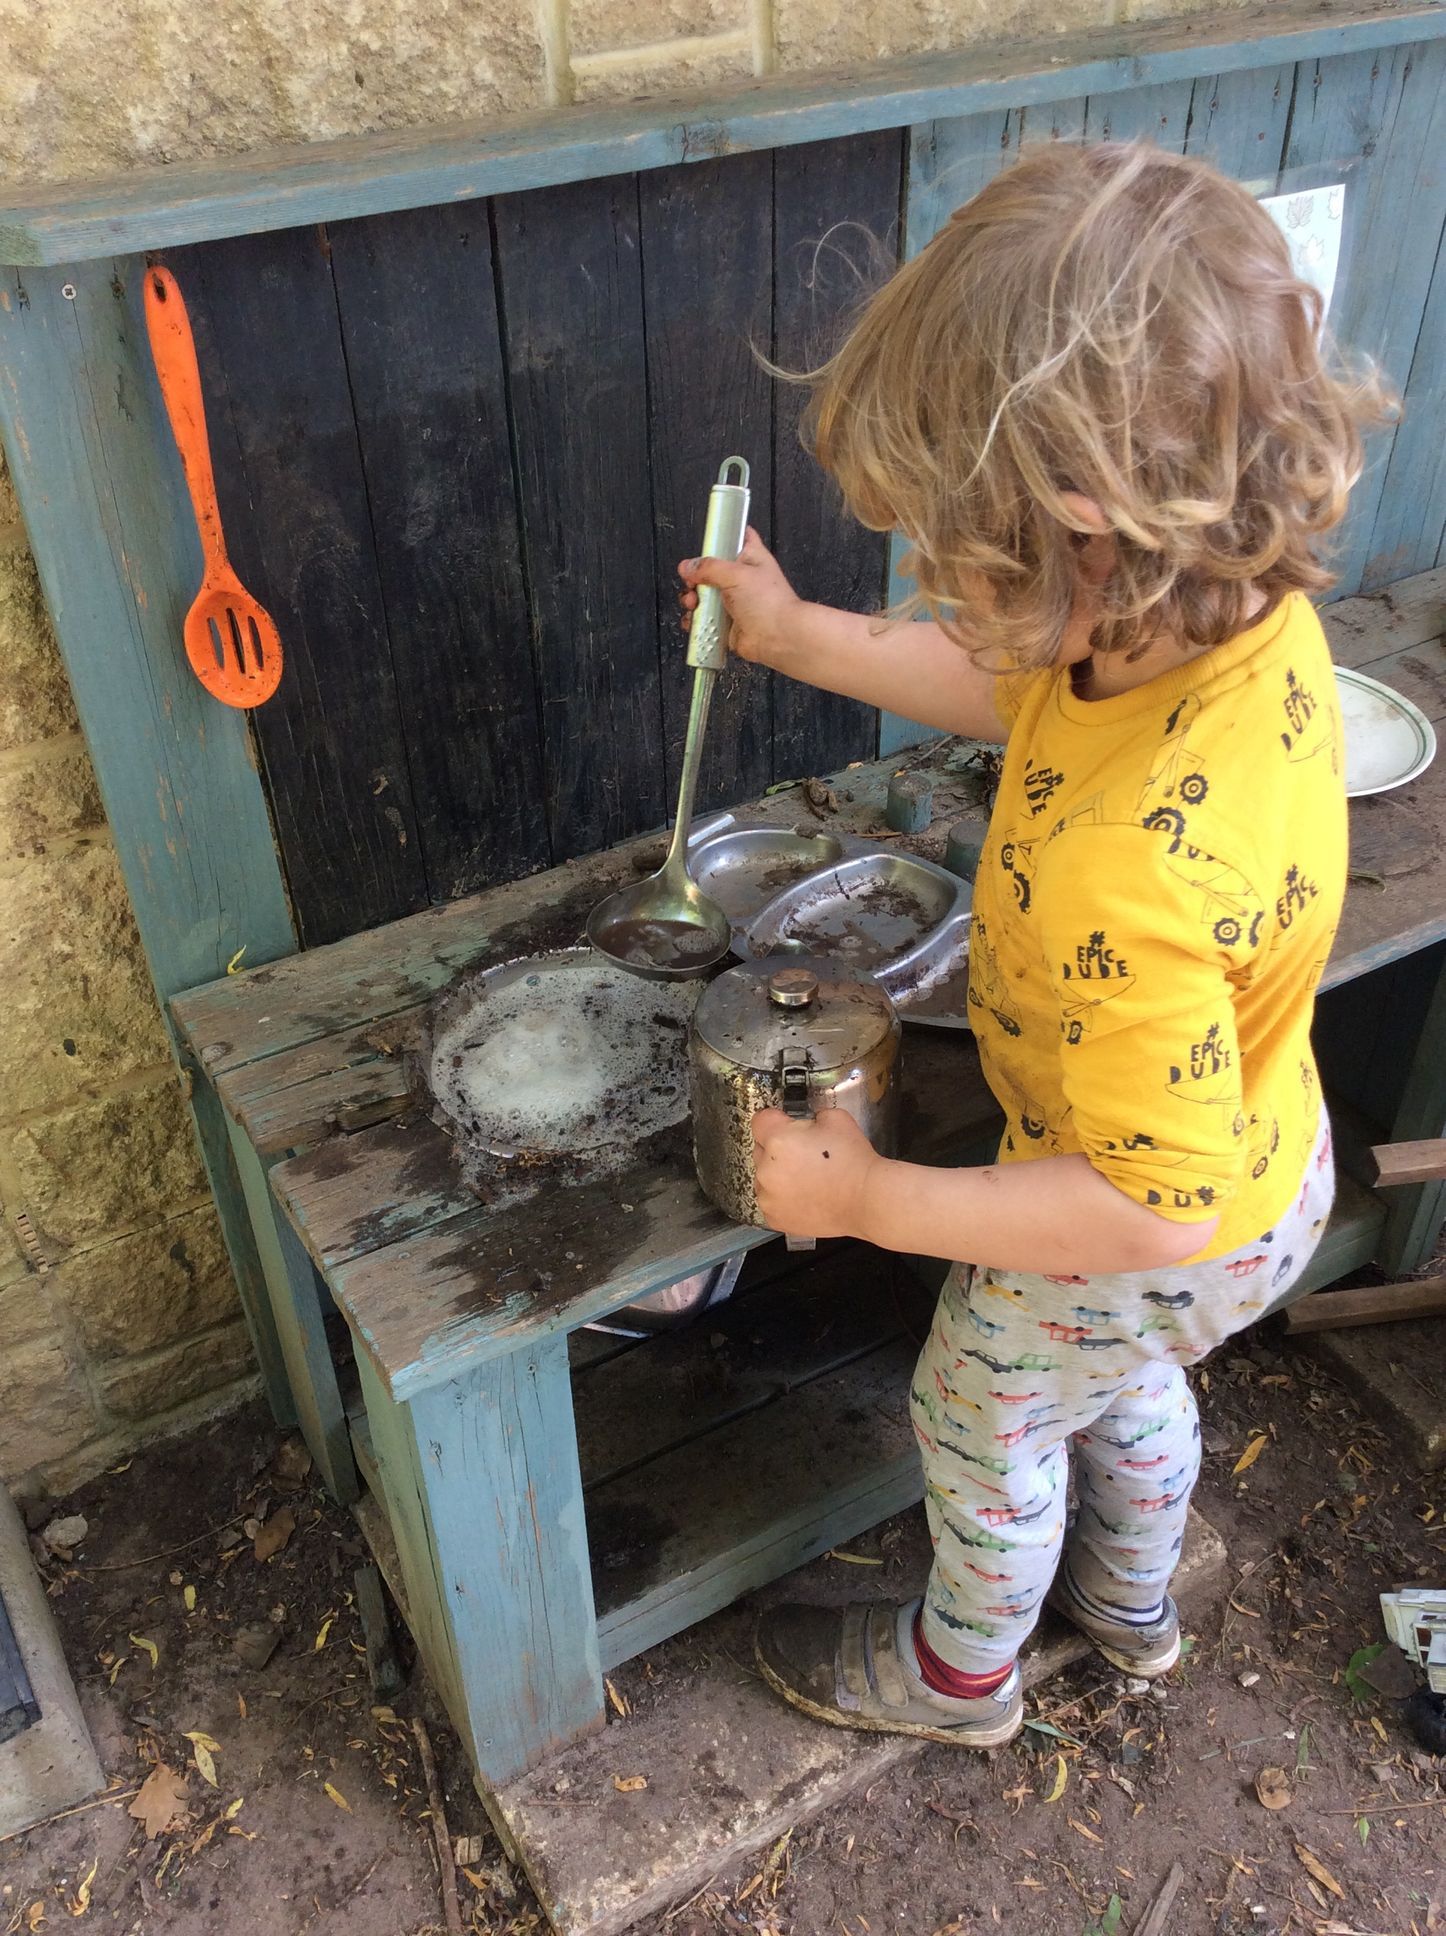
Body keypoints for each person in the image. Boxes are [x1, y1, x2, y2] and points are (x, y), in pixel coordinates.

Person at [676, 141, 1392, 1749]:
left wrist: (862, 1200)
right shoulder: (1214, 603)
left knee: (983, 1403)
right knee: (1121, 1380)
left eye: (946, 552)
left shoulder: (1118, 882)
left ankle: (960, 1679)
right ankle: (1130, 1611)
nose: (930, 583)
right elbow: (1013, 674)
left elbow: (1141, 1206)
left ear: (1084, 525)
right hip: (1269, 1162)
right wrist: (803, 639)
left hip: (1153, 1207)